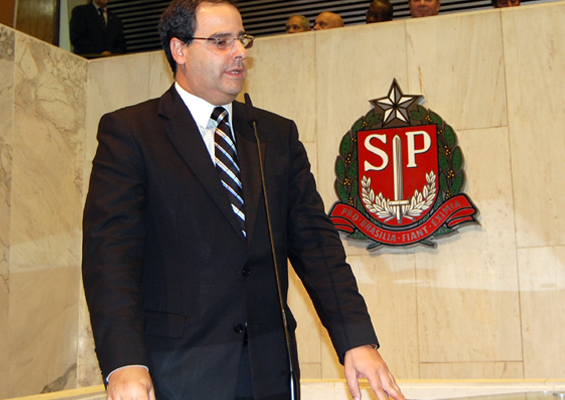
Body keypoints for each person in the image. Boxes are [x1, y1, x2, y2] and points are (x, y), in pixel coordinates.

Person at [83, 0, 405, 399]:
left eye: (242, 39)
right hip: (178, 370)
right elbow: (110, 259)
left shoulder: (274, 134)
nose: (240, 53)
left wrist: (356, 339)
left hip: (270, 368)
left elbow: (317, 245)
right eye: (221, 41)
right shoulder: (131, 133)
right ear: (179, 50)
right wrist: (125, 363)